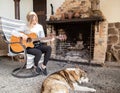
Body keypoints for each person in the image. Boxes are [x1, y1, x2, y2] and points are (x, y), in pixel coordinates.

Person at [12, 11, 52, 75]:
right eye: (32, 20)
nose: (34, 21)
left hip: (38, 45)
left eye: (35, 19)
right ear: (28, 20)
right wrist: (22, 35)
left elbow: (42, 39)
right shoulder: (25, 27)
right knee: (38, 52)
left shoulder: (39, 27)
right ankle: (35, 66)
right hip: (28, 47)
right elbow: (13, 32)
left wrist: (48, 39)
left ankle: (43, 66)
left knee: (49, 48)